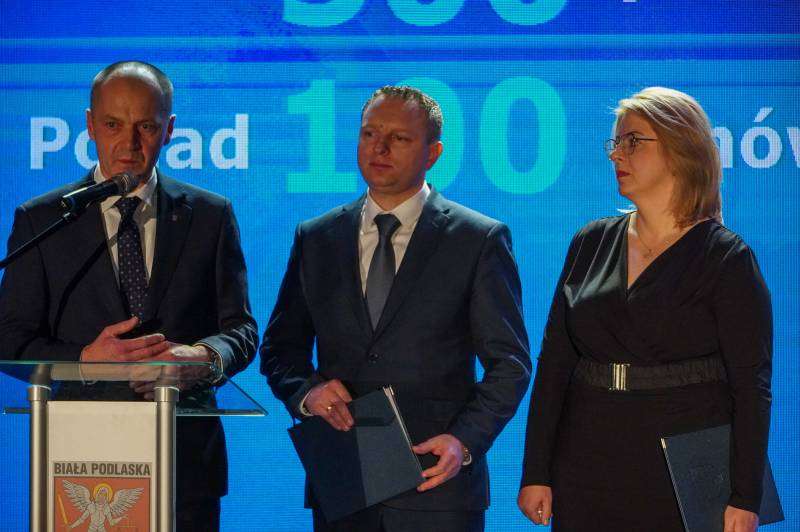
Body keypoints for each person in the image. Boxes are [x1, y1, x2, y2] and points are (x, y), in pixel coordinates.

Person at [0, 61, 258, 531]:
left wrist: (202, 358)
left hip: (185, 464)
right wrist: (84, 360)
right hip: (81, 464)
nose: (129, 143)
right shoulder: (42, 220)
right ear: (90, 125)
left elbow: (240, 330)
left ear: (169, 129)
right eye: (113, 125)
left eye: (147, 127)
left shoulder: (210, 214)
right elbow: (10, 339)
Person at [261, 85, 531, 532]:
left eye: (399, 138)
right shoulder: (317, 237)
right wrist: (307, 393)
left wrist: (463, 442)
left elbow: (510, 364)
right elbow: (280, 349)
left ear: (433, 153)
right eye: (369, 134)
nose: (379, 148)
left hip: (436, 484)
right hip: (344, 480)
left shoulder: (477, 239)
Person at [517, 87, 772, 532]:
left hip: (684, 470)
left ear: (680, 149)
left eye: (633, 141)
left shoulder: (726, 258)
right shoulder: (590, 241)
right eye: (615, 142)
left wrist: (745, 495)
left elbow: (751, 386)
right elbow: (555, 365)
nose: (616, 154)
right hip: (587, 461)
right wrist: (535, 471)